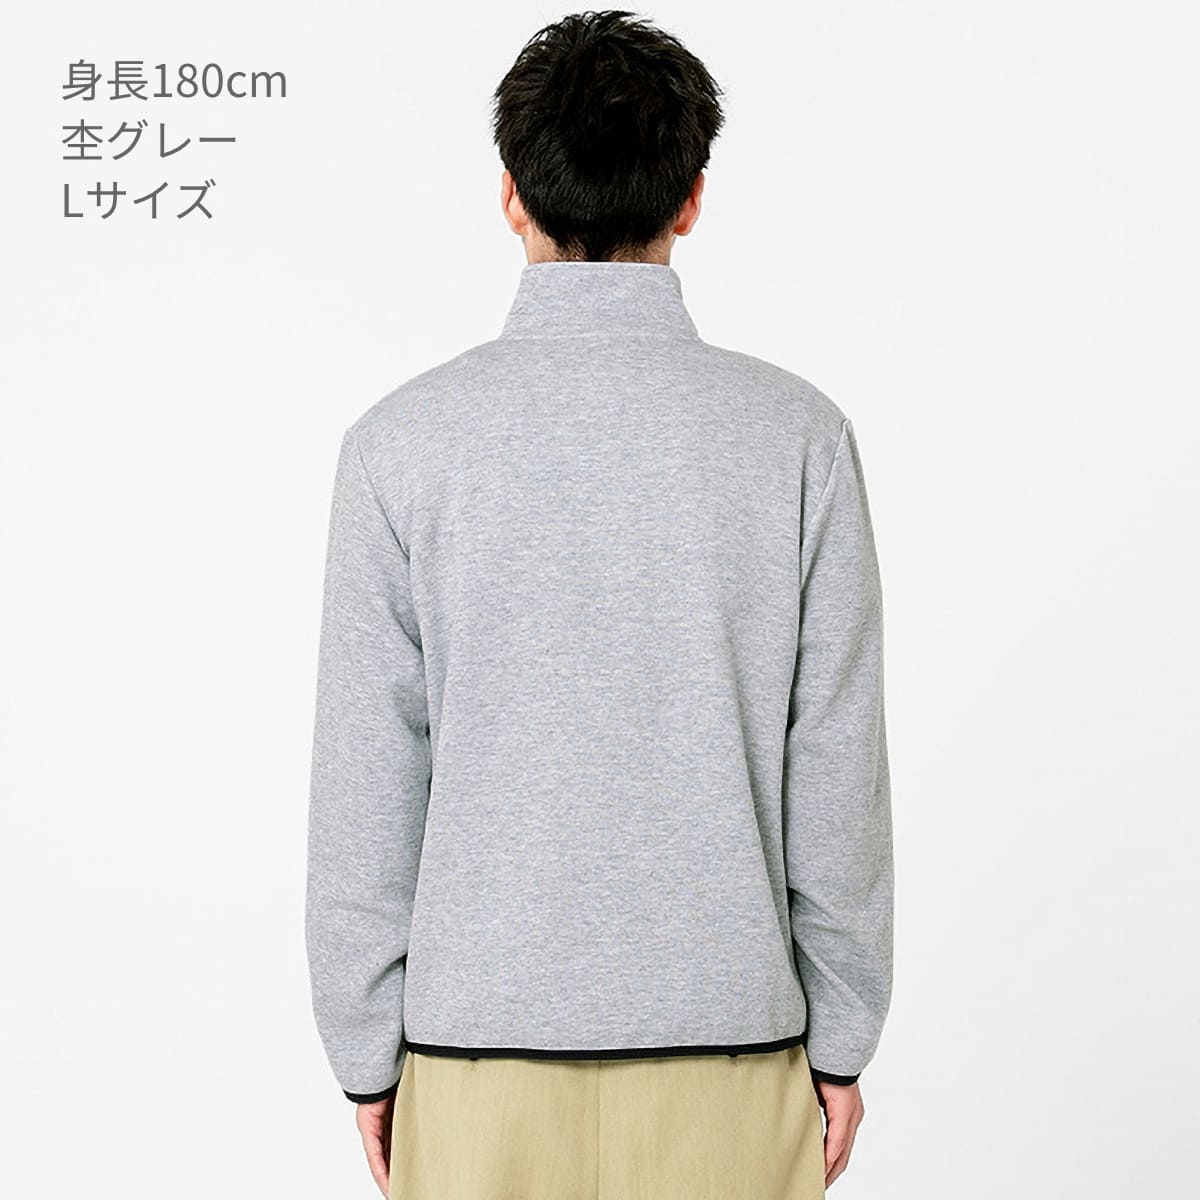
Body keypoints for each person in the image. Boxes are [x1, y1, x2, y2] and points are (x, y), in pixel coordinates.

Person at [305, 10, 894, 1199]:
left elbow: (369, 786)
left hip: (474, 1068)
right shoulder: (798, 441)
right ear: (692, 199)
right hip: (734, 1065)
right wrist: (840, 1040)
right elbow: (835, 774)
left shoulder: (399, 447)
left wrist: (368, 1055)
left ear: (510, 195)